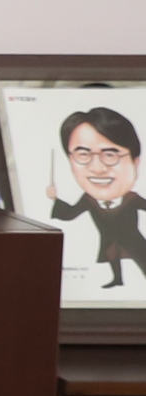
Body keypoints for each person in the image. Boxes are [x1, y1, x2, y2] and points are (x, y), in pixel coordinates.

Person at [48, 106, 146, 289]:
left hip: (133, 240)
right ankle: (118, 279)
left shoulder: (132, 198)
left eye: (110, 155)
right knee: (112, 257)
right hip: (110, 240)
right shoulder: (88, 200)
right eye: (83, 155)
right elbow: (70, 213)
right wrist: (55, 200)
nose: (98, 168)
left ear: (135, 162)